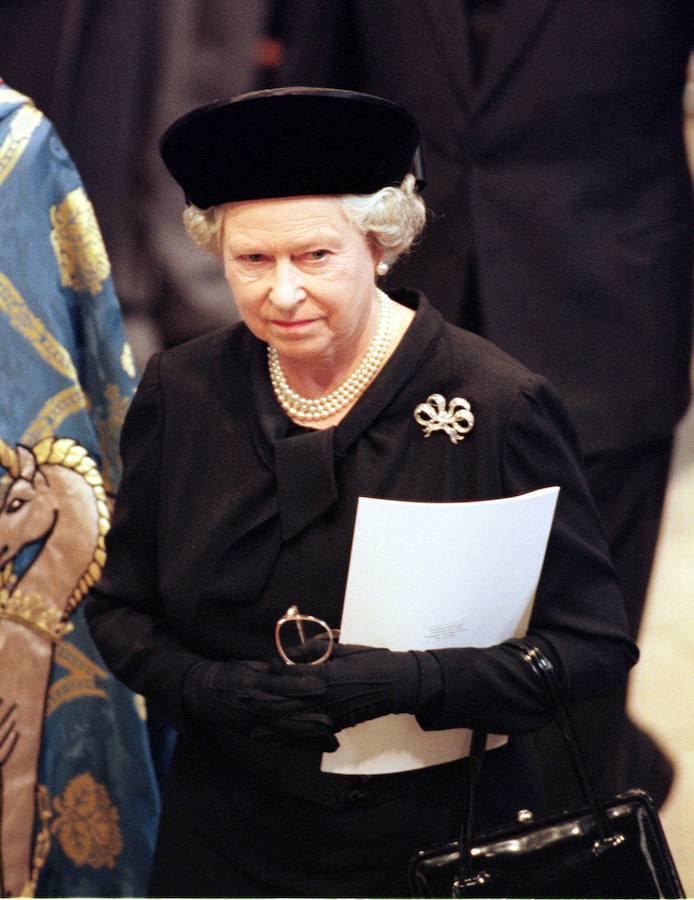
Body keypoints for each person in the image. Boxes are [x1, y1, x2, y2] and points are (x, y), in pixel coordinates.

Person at [85, 87, 637, 899]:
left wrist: (410, 683)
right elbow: (120, 611)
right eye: (252, 260)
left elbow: (592, 648)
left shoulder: (497, 405)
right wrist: (211, 689)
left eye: (315, 257)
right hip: (227, 831)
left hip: (439, 841)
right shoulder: (182, 389)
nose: (282, 292)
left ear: (378, 245)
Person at [265, 0, 694, 808]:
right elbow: (312, 96)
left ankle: (579, 856)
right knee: (389, 638)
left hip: (611, 307)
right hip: (398, 314)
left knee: (585, 653)